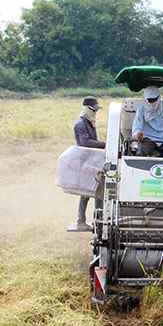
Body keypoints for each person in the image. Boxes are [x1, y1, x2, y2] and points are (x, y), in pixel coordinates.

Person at [69, 96, 105, 232]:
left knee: (96, 190)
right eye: (94, 110)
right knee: (89, 191)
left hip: (92, 160)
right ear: (87, 109)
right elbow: (85, 143)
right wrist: (105, 144)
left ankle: (96, 220)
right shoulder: (80, 125)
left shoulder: (89, 123)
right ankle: (82, 221)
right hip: (85, 161)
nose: (95, 113)